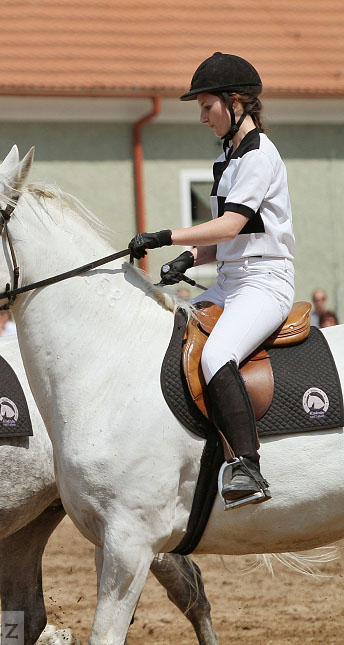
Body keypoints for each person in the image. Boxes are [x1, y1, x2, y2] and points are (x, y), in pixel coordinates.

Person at [129, 52, 294, 506]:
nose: (202, 117)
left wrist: (167, 236)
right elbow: (221, 237)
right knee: (173, 337)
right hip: (230, 279)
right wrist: (188, 257)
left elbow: (230, 226)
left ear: (235, 102)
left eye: (207, 106)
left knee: (218, 353)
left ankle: (247, 465)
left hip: (265, 282)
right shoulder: (231, 155)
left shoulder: (260, 154)